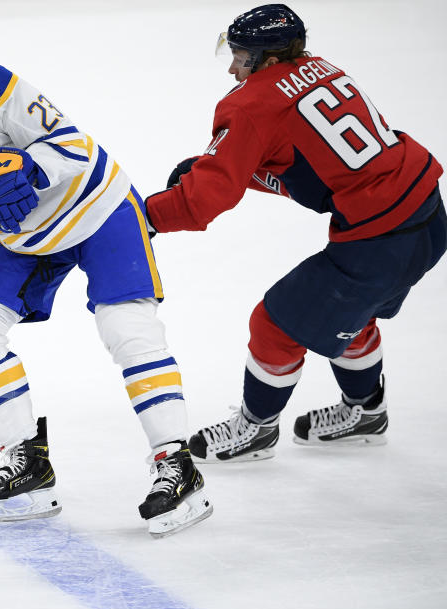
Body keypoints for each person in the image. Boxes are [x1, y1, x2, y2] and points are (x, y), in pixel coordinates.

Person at [0, 28, 212, 537]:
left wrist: (30, 164)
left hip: (98, 209)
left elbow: (72, 141)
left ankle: (177, 465)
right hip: (23, 240)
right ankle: (27, 464)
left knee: (127, 326)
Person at [144, 4, 446, 463]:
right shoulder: (321, 69)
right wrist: (234, 169)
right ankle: (366, 411)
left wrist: (144, 216)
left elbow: (203, 202)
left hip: (380, 237)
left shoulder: (248, 105)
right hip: (425, 210)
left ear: (266, 59)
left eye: (242, 56)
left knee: (276, 323)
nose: (232, 66)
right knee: (352, 314)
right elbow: (316, 172)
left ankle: (256, 429)